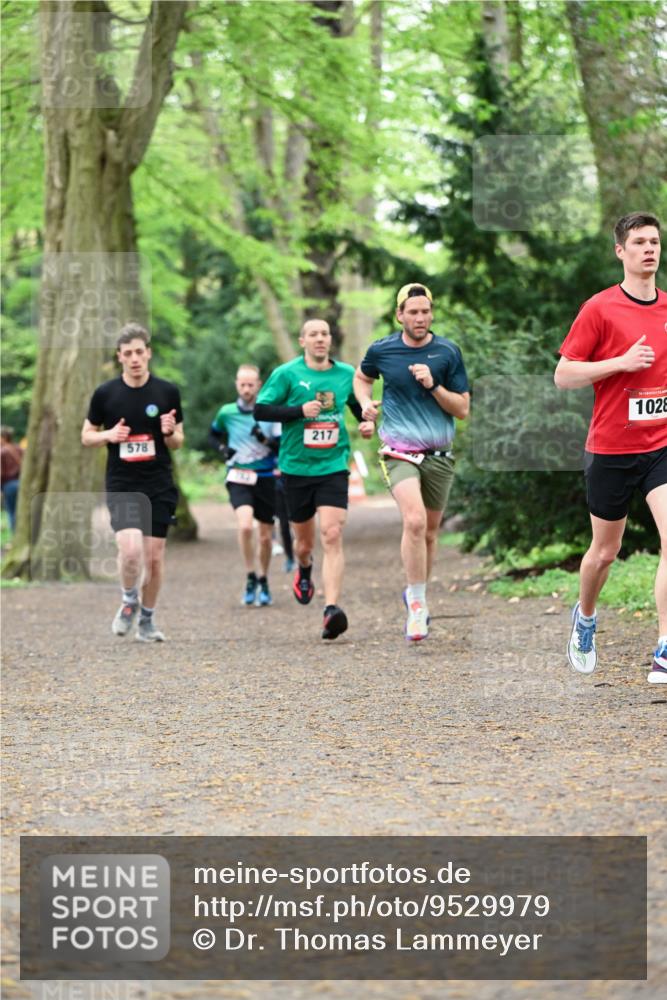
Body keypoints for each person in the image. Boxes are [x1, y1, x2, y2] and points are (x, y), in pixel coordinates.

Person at [555, 212, 667, 684]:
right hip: (611, 449)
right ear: (620, 251)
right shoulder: (599, 309)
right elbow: (564, 375)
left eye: (655, 242)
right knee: (605, 551)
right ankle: (585, 617)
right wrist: (619, 362)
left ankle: (664, 646)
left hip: (662, 444)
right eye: (639, 242)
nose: (649, 249)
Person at [353, 283, 470, 642]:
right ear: (400, 315)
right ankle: (418, 605)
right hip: (398, 451)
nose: (420, 318)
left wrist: (434, 386)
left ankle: (414, 593)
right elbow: (361, 378)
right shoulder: (382, 350)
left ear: (431, 313)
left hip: (439, 455)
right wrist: (365, 406)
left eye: (425, 312)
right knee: (415, 521)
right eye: (413, 312)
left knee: (430, 533)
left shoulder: (447, 352)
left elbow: (463, 409)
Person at [254, 319, 374, 640]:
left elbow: (357, 408)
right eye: (313, 335)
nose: (320, 339)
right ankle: (304, 568)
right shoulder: (287, 374)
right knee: (304, 544)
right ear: (302, 340)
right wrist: (297, 411)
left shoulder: (347, 374)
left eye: (324, 334)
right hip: (297, 469)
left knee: (332, 533)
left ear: (330, 340)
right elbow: (261, 410)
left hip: (333, 466)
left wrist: (366, 423)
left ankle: (331, 609)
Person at [81, 323, 184, 641]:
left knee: (154, 557)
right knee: (129, 552)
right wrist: (109, 435)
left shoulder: (167, 392)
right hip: (123, 482)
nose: (135, 358)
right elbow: (86, 436)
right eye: (128, 353)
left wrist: (169, 432)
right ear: (120, 357)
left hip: (158, 483)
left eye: (140, 352)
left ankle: (147, 621)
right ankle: (129, 600)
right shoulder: (106, 394)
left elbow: (178, 441)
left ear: (148, 353)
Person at [210, 365, 280, 607]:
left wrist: (264, 439)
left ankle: (264, 578)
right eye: (242, 384)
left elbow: (281, 447)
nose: (246, 389)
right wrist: (222, 449)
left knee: (264, 537)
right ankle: (250, 575)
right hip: (238, 476)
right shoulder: (226, 412)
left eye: (251, 385)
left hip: (266, 477)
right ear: (236, 384)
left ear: (259, 385)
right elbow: (213, 434)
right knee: (245, 526)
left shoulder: (269, 413)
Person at [0, 426, 22, 534]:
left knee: (11, 512)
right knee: (21, 511)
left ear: (3, 437)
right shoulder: (19, 448)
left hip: (8, 485)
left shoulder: (2, 452)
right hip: (21, 483)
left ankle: (15, 536)